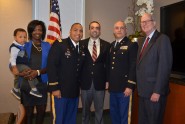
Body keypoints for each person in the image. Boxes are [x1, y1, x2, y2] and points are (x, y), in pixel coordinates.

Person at [136, 13, 173, 124]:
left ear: (154, 23)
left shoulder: (162, 39)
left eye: (147, 21)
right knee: (143, 121)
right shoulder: (142, 40)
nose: (144, 24)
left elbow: (164, 67)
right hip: (143, 92)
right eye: (142, 22)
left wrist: (157, 91)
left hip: (154, 93)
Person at [47, 23, 84, 124]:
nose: (78, 33)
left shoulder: (81, 48)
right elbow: (51, 66)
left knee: (71, 118)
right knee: (59, 119)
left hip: (74, 91)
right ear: (70, 31)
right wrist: (54, 88)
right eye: (75, 30)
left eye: (81, 31)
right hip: (60, 91)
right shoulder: (60, 44)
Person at [20, 20, 51, 124]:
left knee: (41, 112)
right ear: (30, 31)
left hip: (42, 84)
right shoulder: (24, 46)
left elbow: (52, 65)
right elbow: (14, 64)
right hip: (27, 84)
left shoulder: (48, 46)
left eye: (40, 30)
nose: (37, 32)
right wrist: (22, 72)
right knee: (28, 114)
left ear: (43, 32)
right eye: (34, 29)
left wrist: (38, 72)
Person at [80, 21, 110, 124]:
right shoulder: (81, 44)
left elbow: (108, 65)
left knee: (99, 110)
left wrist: (107, 81)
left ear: (100, 31)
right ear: (89, 30)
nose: (94, 30)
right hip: (85, 83)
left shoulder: (107, 45)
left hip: (100, 83)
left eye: (97, 28)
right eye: (92, 28)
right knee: (85, 111)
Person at [108, 21, 138, 124]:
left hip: (125, 88)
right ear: (114, 31)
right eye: (117, 28)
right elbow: (110, 66)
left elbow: (133, 66)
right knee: (114, 113)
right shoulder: (111, 45)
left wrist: (130, 85)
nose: (119, 30)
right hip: (113, 87)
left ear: (126, 30)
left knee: (124, 116)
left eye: (122, 28)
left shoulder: (131, 44)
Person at [9, 28, 42, 100]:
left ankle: (16, 89)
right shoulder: (15, 47)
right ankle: (33, 89)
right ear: (15, 37)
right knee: (28, 71)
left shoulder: (23, 45)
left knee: (18, 77)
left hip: (20, 64)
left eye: (25, 37)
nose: (23, 39)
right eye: (20, 37)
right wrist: (14, 67)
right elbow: (12, 58)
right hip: (17, 64)